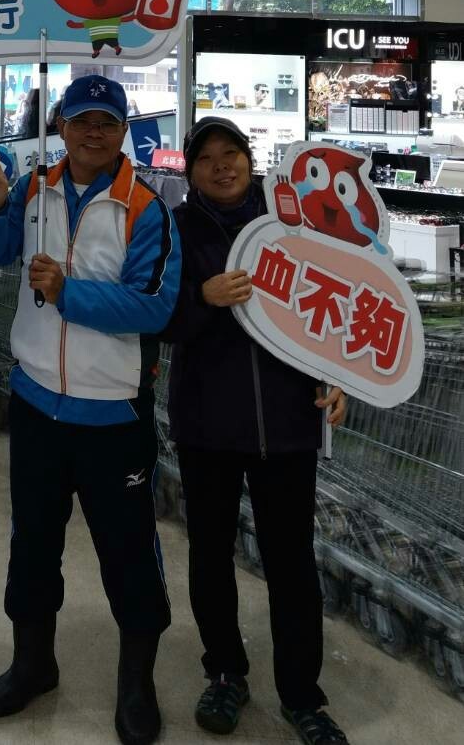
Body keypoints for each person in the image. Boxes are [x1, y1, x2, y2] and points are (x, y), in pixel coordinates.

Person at [0, 74, 180, 745]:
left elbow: (154, 306)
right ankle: (33, 662)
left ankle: (136, 683)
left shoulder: (145, 208)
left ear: (123, 131)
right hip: (36, 406)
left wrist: (70, 292)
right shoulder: (34, 188)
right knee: (32, 543)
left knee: (129, 554)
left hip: (113, 417)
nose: (93, 132)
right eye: (81, 120)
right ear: (60, 126)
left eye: (106, 122)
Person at [162, 117, 348, 745]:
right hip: (207, 424)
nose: (222, 166)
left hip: (289, 424)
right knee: (210, 556)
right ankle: (224, 673)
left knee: (292, 563)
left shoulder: (293, 224)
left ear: (250, 158)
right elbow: (157, 317)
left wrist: (337, 376)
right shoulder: (176, 228)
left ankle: (303, 697)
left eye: (232, 154)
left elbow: (332, 306)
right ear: (191, 171)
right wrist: (202, 297)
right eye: (207, 158)